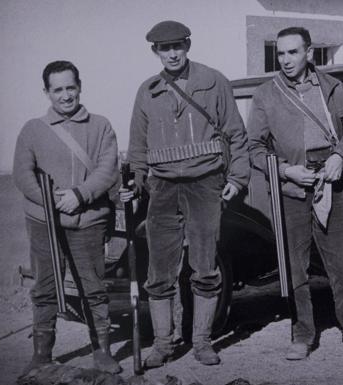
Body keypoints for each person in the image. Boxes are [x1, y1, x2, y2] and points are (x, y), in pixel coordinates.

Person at [122, 20, 249, 367]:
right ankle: (163, 345)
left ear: (188, 45)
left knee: (206, 268)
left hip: (205, 185)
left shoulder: (213, 81)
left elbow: (237, 135)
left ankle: (202, 342)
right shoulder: (146, 91)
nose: (172, 53)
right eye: (165, 48)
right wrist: (135, 181)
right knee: (159, 272)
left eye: (178, 45)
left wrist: (237, 178)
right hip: (161, 190)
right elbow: (137, 146)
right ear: (155, 52)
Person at [248, 26, 343, 366]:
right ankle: (303, 334)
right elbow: (254, 148)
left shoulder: (333, 88)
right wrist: (285, 171)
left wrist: (340, 157)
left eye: (293, 52)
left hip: (329, 184)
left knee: (341, 267)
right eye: (280, 53)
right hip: (291, 187)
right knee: (295, 269)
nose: (286, 60)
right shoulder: (266, 94)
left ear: (309, 53)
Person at [13, 61, 121, 376]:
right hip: (43, 220)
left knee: (94, 287)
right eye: (57, 89)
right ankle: (42, 355)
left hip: (88, 219)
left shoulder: (101, 125)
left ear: (80, 86)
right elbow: (22, 174)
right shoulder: (32, 130)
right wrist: (52, 203)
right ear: (46, 92)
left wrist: (80, 195)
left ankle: (102, 352)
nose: (65, 95)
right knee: (45, 287)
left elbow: (107, 169)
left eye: (70, 87)